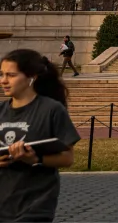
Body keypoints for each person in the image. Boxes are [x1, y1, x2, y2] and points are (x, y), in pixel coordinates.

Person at [0, 49, 80, 221]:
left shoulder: (51, 110)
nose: (4, 81)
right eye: (2, 75)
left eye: (11, 75)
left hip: (35, 206)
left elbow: (67, 158)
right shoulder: (1, 111)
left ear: (32, 77)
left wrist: (35, 160)